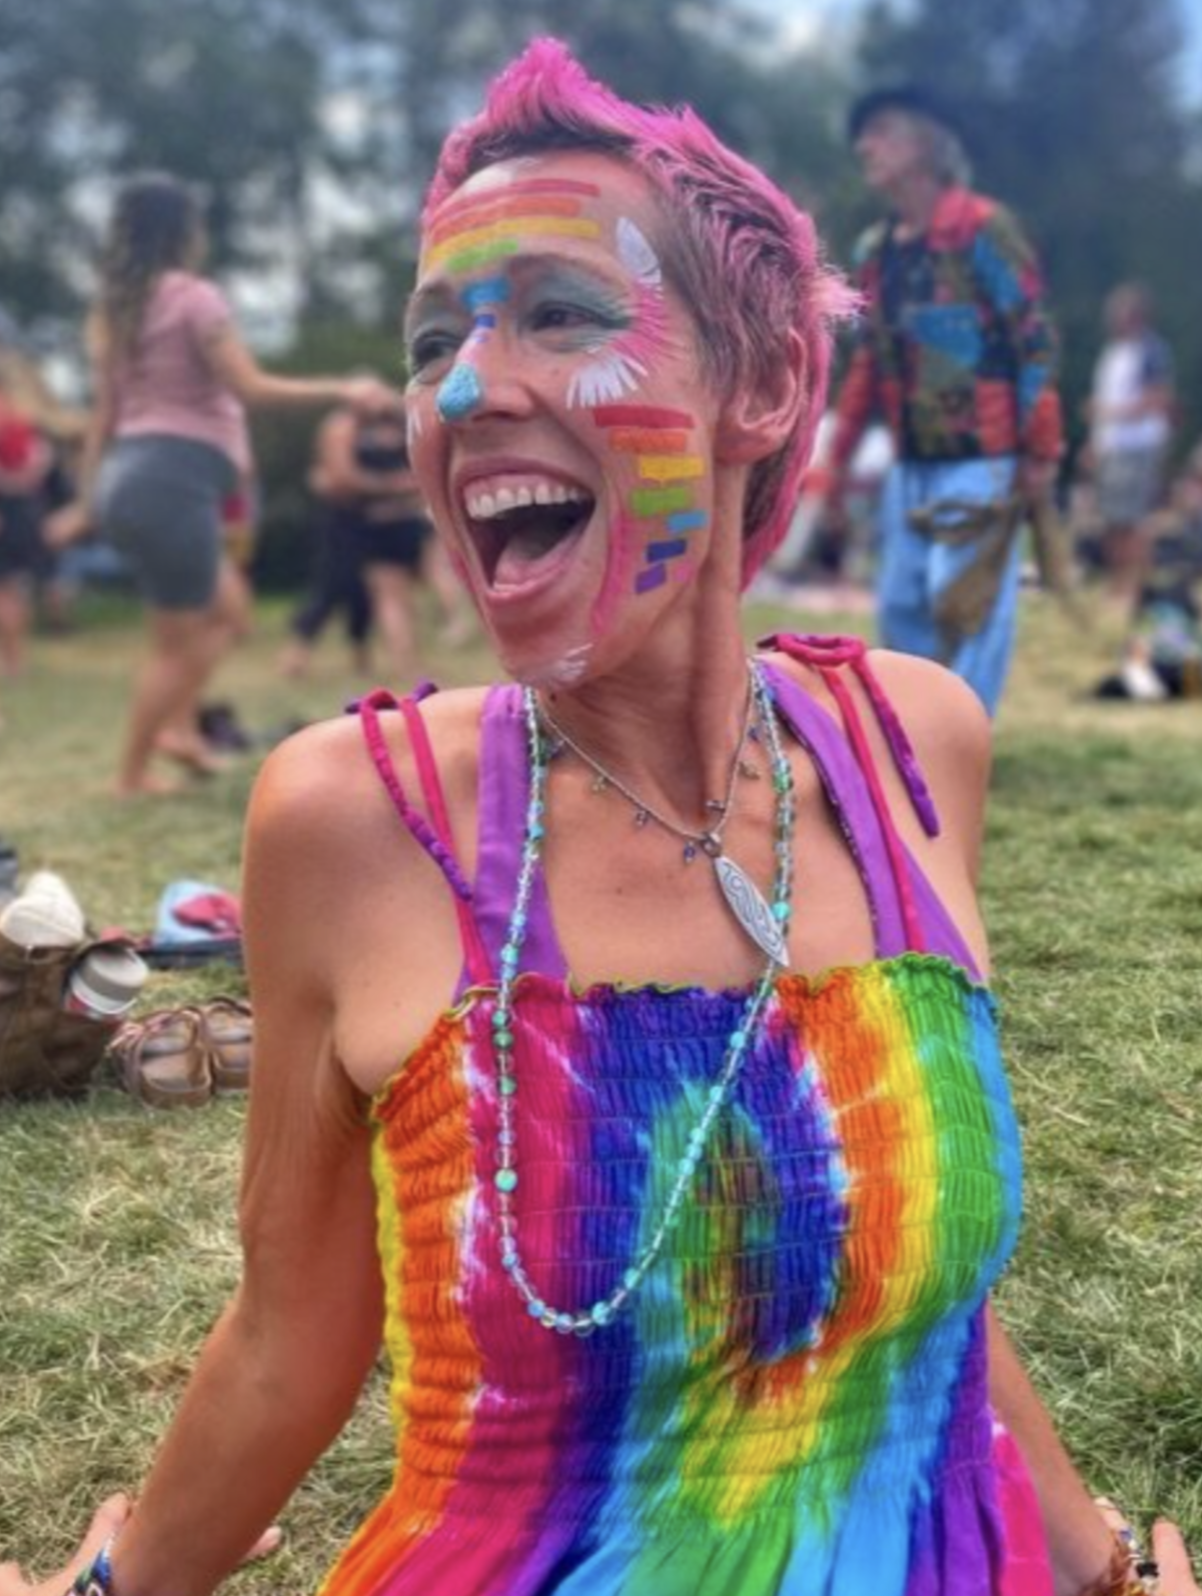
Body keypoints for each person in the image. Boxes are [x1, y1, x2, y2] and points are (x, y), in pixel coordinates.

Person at [3, 41, 1194, 1596]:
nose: (466, 390)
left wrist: (1098, 1561)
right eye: (437, 342)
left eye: (562, 314)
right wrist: (109, 1586)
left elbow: (917, 1282)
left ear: (759, 385)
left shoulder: (910, 745)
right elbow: (291, 1337)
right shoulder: (352, 819)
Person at [48, 173, 399, 795]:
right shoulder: (193, 297)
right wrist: (343, 388)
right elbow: (251, 388)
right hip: (172, 478)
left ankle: (178, 730)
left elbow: (104, 415)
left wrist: (86, 499)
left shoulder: (119, 311)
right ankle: (131, 774)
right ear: (184, 231)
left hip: (133, 477)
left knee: (224, 615)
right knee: (178, 640)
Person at [825, 87, 1063, 717]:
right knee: (902, 602)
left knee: (966, 601)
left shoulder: (983, 229)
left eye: (880, 131)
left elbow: (1030, 337)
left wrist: (1039, 444)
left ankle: (964, 732)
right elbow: (870, 360)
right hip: (911, 458)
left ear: (926, 142)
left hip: (982, 452)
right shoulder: (876, 252)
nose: (863, 146)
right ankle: (920, 730)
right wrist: (838, 458)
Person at [1086, 283, 1176, 610]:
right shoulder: (1113, 352)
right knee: (1111, 518)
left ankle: (1132, 589)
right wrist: (1094, 444)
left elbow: (1158, 399)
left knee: (1133, 519)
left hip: (1137, 448)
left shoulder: (1151, 351)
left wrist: (1110, 413)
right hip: (1112, 448)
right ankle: (1115, 584)